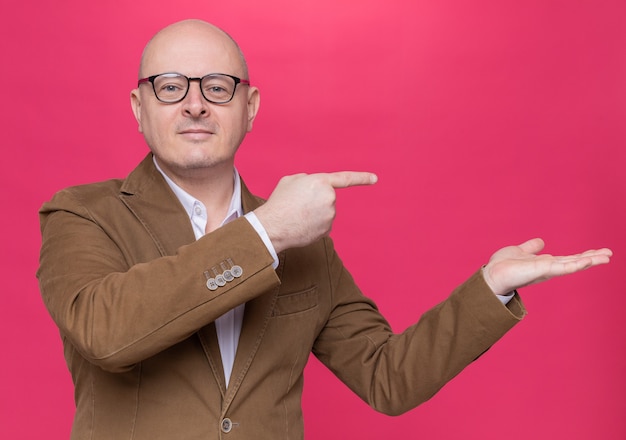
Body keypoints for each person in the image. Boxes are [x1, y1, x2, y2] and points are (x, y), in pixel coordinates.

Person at [37, 19, 612, 440]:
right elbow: (107, 333)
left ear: (250, 106)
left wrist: (490, 288)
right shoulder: (83, 215)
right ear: (139, 107)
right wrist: (265, 233)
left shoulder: (305, 246)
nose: (195, 105)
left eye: (217, 87)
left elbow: (388, 379)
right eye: (170, 87)